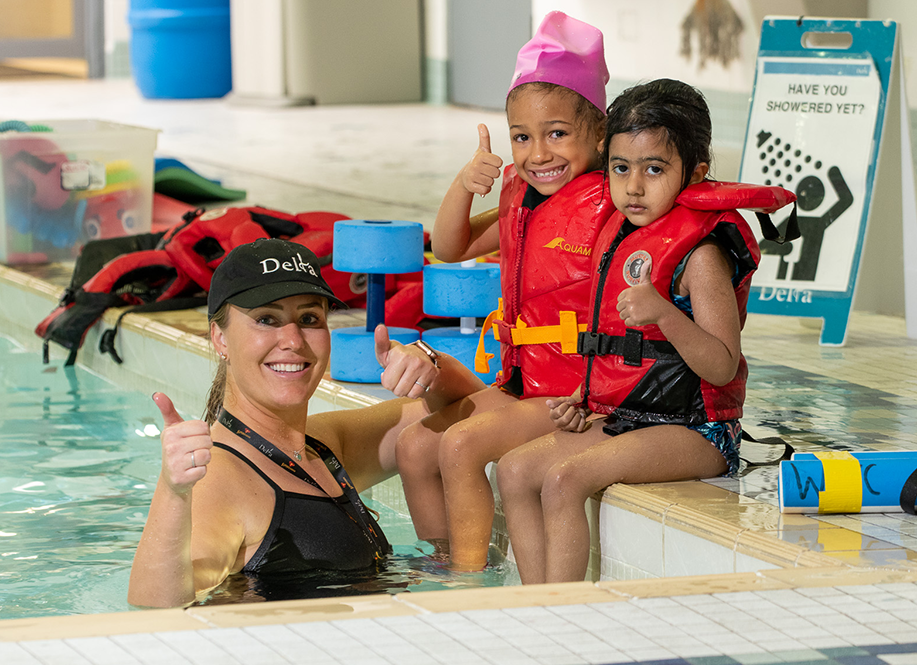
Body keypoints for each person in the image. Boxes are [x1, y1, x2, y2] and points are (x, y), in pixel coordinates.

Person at [496, 78, 794, 584]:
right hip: (626, 415)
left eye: (654, 169)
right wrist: (583, 396)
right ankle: (534, 605)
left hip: (697, 431)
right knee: (515, 471)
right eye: (620, 168)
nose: (633, 186)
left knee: (566, 479)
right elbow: (616, 353)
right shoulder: (624, 232)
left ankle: (562, 615)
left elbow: (721, 365)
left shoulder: (700, 255)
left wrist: (665, 314)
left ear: (695, 172)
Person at [127, 238, 483, 608]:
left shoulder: (323, 445)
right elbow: (155, 611)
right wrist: (173, 491)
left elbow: (471, 412)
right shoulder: (219, 480)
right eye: (267, 319)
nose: (293, 340)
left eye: (309, 319)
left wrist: (430, 365)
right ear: (220, 339)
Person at [395, 11, 616, 570]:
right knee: (415, 445)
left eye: (557, 134)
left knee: (460, 444)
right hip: (524, 380)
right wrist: (464, 185)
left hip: (575, 396)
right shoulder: (523, 198)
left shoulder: (612, 201)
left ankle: (470, 583)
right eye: (522, 136)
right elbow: (450, 246)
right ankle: (450, 557)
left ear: (601, 134)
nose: (538, 153)